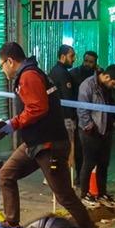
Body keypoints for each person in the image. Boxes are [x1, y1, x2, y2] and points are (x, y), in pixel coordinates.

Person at [0, 42, 102, 228]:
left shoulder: (29, 76)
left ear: (10, 61)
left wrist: (13, 124)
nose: (2, 70)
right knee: (6, 174)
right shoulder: (32, 73)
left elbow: (37, 108)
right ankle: (12, 225)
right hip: (35, 143)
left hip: (48, 145)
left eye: (1, 65)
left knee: (65, 195)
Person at [76, 64, 115, 209]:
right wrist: (90, 127)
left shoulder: (106, 88)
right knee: (89, 163)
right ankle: (84, 194)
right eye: (113, 83)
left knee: (104, 163)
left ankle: (101, 193)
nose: (114, 86)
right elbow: (82, 110)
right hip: (90, 132)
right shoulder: (88, 85)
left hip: (105, 131)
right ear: (107, 77)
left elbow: (111, 105)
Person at [49, 44, 81, 178]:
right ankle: (67, 177)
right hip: (66, 117)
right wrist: (73, 116)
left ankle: (52, 175)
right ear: (63, 57)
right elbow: (68, 98)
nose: (74, 59)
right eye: (71, 56)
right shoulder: (63, 74)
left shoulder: (53, 71)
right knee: (70, 148)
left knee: (56, 149)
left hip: (55, 117)